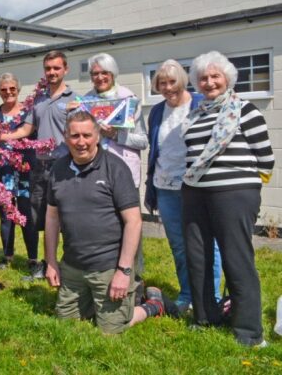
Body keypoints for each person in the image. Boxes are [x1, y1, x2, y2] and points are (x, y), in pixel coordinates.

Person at [45, 110, 168, 334]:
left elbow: (134, 222)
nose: (81, 142)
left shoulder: (116, 168)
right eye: (74, 136)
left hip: (109, 268)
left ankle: (152, 305)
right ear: (66, 137)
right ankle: (95, 300)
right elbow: (52, 217)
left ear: (98, 136)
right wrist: (51, 261)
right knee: (64, 325)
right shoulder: (58, 169)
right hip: (73, 267)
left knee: (112, 330)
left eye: (87, 135)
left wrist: (123, 271)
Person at [181, 51, 273, 347]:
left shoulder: (245, 111)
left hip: (234, 194)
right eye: (203, 78)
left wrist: (244, 190)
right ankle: (206, 317)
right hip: (195, 192)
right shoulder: (196, 113)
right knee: (198, 256)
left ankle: (249, 332)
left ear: (228, 78)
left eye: (215, 76)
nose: (209, 82)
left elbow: (265, 159)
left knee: (236, 258)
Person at [145, 59, 222, 313]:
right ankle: (187, 294)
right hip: (165, 186)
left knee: (205, 242)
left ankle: (211, 296)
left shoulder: (201, 103)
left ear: (183, 81)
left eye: (172, 82)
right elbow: (155, 150)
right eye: (162, 83)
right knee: (178, 244)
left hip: (195, 186)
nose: (168, 88)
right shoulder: (157, 112)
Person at [0, 50, 75, 278]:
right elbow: (26, 130)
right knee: (44, 217)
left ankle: (69, 265)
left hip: (65, 165)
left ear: (65, 70)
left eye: (56, 68)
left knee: (68, 216)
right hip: (40, 166)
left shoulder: (74, 99)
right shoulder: (38, 99)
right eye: (48, 68)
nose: (52, 72)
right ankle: (48, 264)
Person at [0, 73, 37, 270]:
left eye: (12, 89)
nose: (8, 92)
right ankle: (7, 255)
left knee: (25, 213)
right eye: (4, 89)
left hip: (24, 170)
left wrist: (0, 137)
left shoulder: (28, 112)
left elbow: (29, 135)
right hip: (2, 171)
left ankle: (32, 257)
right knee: (6, 214)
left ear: (18, 89)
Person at [82, 53, 147, 187]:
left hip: (124, 172)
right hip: (94, 171)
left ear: (113, 73)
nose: (100, 77)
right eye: (95, 73)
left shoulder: (129, 99)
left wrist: (116, 135)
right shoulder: (85, 101)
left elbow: (143, 142)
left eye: (105, 72)